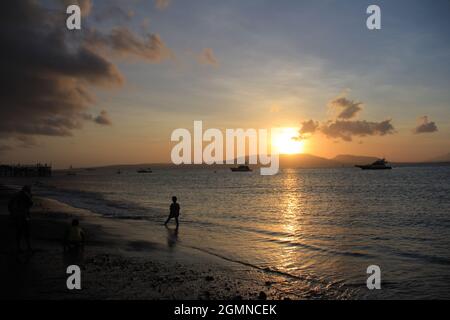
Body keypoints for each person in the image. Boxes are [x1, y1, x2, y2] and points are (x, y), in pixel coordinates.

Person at [8, 186, 33, 252]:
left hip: (16, 215)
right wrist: (30, 197)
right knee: (26, 231)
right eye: (29, 191)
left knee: (18, 231)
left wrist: (12, 213)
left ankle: (18, 247)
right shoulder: (26, 196)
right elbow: (30, 204)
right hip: (23, 216)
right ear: (27, 191)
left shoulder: (15, 195)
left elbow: (9, 205)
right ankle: (28, 247)